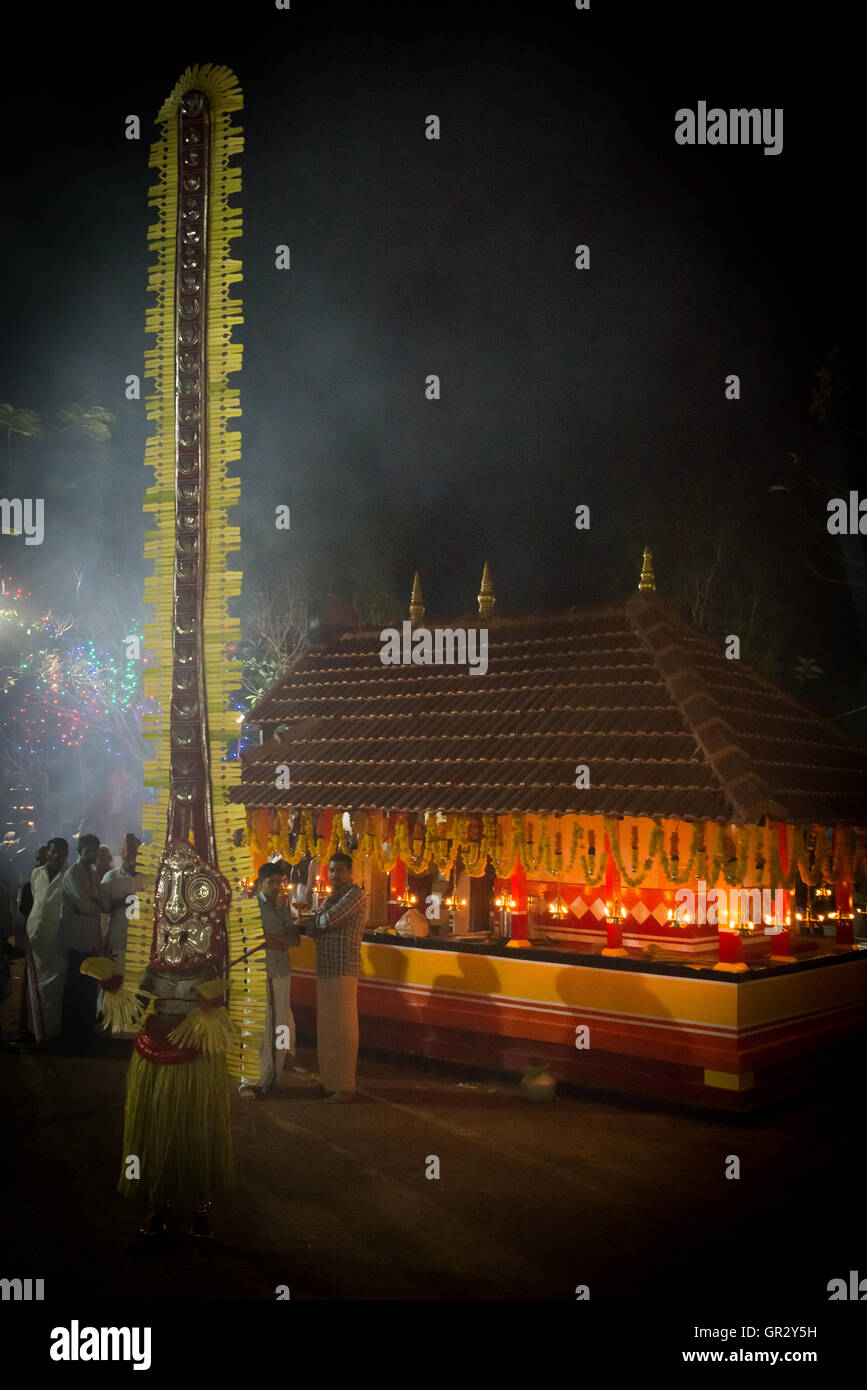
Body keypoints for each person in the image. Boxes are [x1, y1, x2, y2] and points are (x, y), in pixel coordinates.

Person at [295, 851, 367, 1103]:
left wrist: (317, 919)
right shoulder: (332, 896)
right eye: (332, 870)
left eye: (339, 870)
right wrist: (317, 920)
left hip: (343, 966)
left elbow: (326, 920)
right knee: (326, 1027)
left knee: (343, 1027)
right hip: (326, 966)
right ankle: (330, 1082)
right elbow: (317, 925)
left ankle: (345, 1086)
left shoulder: (355, 894)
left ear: (350, 873)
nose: (334, 875)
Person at [239, 863, 301, 1098]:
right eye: (272, 882)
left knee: (281, 1022)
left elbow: (295, 939)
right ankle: (250, 1080)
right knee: (255, 1025)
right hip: (257, 971)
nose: (277, 887)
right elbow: (254, 940)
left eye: (279, 882)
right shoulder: (250, 906)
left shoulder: (281, 906)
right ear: (259, 884)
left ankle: (275, 1075)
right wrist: (277, 940)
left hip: (281, 971)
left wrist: (271, 939)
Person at [57, 833, 107, 1046]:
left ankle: (86, 1031)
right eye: (89, 850)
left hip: (91, 937)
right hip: (77, 939)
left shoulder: (94, 874)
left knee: (88, 988)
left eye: (95, 850)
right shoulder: (72, 874)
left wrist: (92, 904)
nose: (93, 854)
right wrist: (93, 904)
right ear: (80, 851)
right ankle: (72, 1034)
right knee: (75, 987)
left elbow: (100, 903)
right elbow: (86, 905)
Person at [22, 838, 69, 1045]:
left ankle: (52, 1033)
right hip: (36, 938)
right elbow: (36, 902)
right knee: (33, 989)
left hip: (57, 940)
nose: (57, 856)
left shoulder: (69, 876)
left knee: (55, 991)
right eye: (54, 852)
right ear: (47, 852)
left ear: (67, 855)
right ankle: (34, 1032)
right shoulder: (35, 874)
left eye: (62, 852)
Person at [101, 834, 144, 982]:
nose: (133, 859)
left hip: (142, 943)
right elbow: (103, 909)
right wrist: (122, 902)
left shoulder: (149, 879)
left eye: (137, 855)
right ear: (122, 855)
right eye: (129, 855)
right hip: (118, 941)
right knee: (116, 985)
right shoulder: (110, 878)